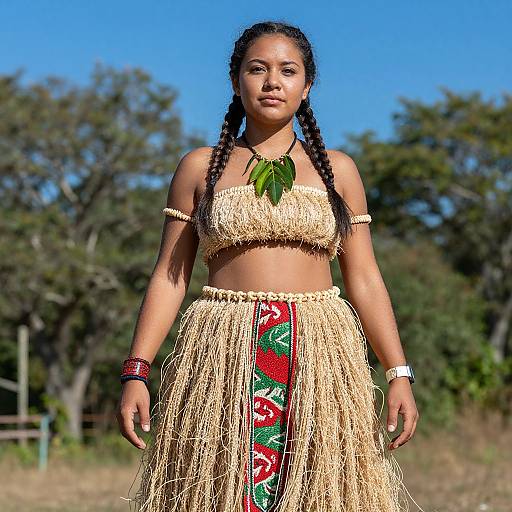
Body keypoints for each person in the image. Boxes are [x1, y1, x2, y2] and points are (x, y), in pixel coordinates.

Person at [117, 20, 421, 512]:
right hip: (220, 348)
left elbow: (363, 277)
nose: (272, 81)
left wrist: (398, 372)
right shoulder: (199, 166)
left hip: (322, 352)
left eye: (287, 70)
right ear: (236, 81)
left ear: (307, 86)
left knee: (322, 495)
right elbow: (170, 277)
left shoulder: (338, 170)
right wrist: (137, 370)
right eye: (257, 69)